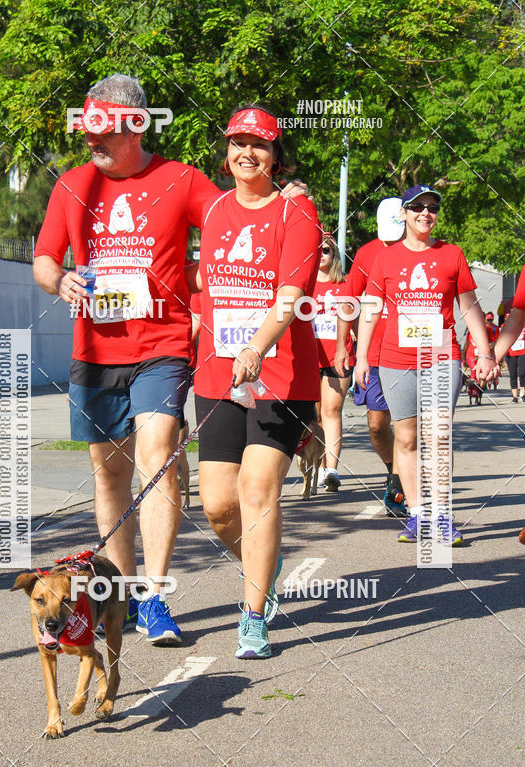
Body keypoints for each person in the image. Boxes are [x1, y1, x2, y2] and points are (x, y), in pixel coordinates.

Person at [33, 74, 308, 647]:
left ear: (136, 125)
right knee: (108, 475)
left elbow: (245, 211)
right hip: (94, 349)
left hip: (163, 346)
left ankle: (156, 597)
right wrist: (59, 281)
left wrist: (292, 196)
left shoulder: (181, 180)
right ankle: (125, 594)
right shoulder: (72, 185)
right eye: (87, 132)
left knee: (157, 455)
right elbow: (42, 259)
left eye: (103, 132)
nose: (92, 142)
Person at [192, 105, 321, 658]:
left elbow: (291, 299)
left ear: (276, 155)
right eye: (239, 143)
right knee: (217, 505)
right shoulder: (216, 208)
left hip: (282, 375)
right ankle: (263, 563)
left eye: (260, 145)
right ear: (226, 152)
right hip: (218, 375)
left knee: (257, 490)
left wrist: (256, 346)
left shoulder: (298, 213)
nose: (248, 153)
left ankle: (253, 615)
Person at [355, 184, 497, 544]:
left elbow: (468, 306)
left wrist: (484, 352)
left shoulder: (451, 254)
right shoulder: (384, 258)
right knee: (405, 438)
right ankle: (417, 515)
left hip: (440, 356)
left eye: (432, 207)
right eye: (417, 206)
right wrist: (360, 358)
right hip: (395, 360)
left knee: (437, 437)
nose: (425, 213)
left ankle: (444, 516)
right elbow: (370, 311)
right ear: (403, 213)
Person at [334, 197, 407, 517]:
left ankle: (407, 484)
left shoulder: (427, 250)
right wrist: (342, 347)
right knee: (378, 426)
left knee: (411, 427)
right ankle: (395, 472)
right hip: (376, 354)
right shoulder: (366, 253)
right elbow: (348, 303)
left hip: (417, 354)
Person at [311, 234, 354, 491]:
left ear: (334, 254)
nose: (322, 254)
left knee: (332, 410)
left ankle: (331, 469)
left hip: (337, 357)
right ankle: (316, 466)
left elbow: (356, 321)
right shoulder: (303, 285)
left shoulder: (346, 285)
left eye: (326, 250)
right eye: (317, 250)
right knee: (314, 415)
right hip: (309, 357)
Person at [494, 268, 525, 400]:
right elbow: (517, 319)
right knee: (515, 373)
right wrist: (492, 359)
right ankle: (516, 396)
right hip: (513, 351)